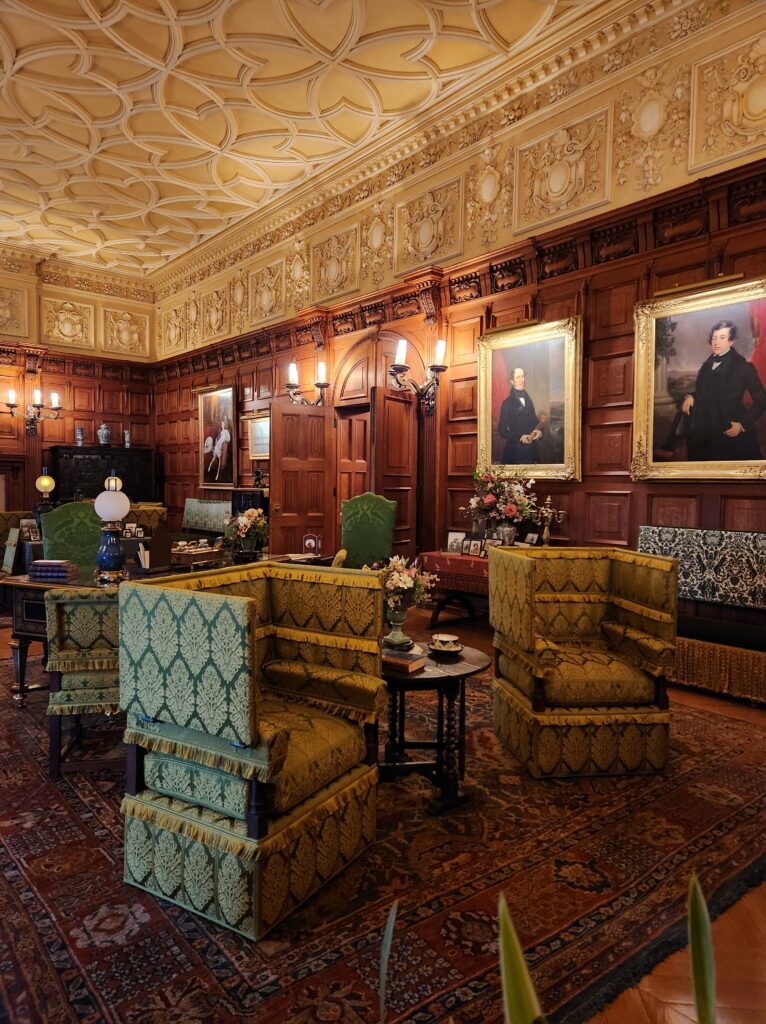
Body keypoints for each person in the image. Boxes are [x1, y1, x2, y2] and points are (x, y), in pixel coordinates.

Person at [680, 320, 766, 461]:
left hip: (730, 432)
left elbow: (762, 401)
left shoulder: (743, 367)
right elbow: (708, 391)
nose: (716, 342)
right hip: (704, 432)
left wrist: (742, 424)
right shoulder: (707, 365)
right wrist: (692, 396)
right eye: (714, 338)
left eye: (722, 337)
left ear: (731, 341)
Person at [497, 367, 544, 464]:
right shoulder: (507, 403)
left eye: (522, 376)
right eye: (518, 377)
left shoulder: (528, 400)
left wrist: (539, 431)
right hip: (515, 452)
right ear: (512, 381)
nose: (521, 380)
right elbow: (502, 431)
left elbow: (534, 422)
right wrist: (520, 437)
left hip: (532, 451)